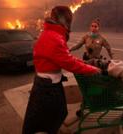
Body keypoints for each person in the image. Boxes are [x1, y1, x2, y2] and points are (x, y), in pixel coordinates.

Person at [22, 6, 100, 134]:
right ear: (65, 20)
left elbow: (65, 58)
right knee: (57, 114)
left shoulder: (49, 33)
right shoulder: (55, 38)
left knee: (39, 116)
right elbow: (69, 63)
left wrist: (84, 63)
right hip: (48, 87)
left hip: (44, 83)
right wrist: (92, 69)